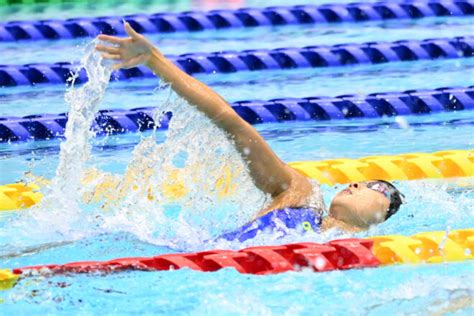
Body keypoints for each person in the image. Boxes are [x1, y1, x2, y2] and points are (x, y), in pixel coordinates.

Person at [95, 23, 404, 240]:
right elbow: (231, 122)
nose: (354, 184)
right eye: (361, 180)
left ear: (383, 215)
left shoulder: (365, 255)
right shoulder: (302, 195)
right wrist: (155, 61)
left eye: (374, 187)